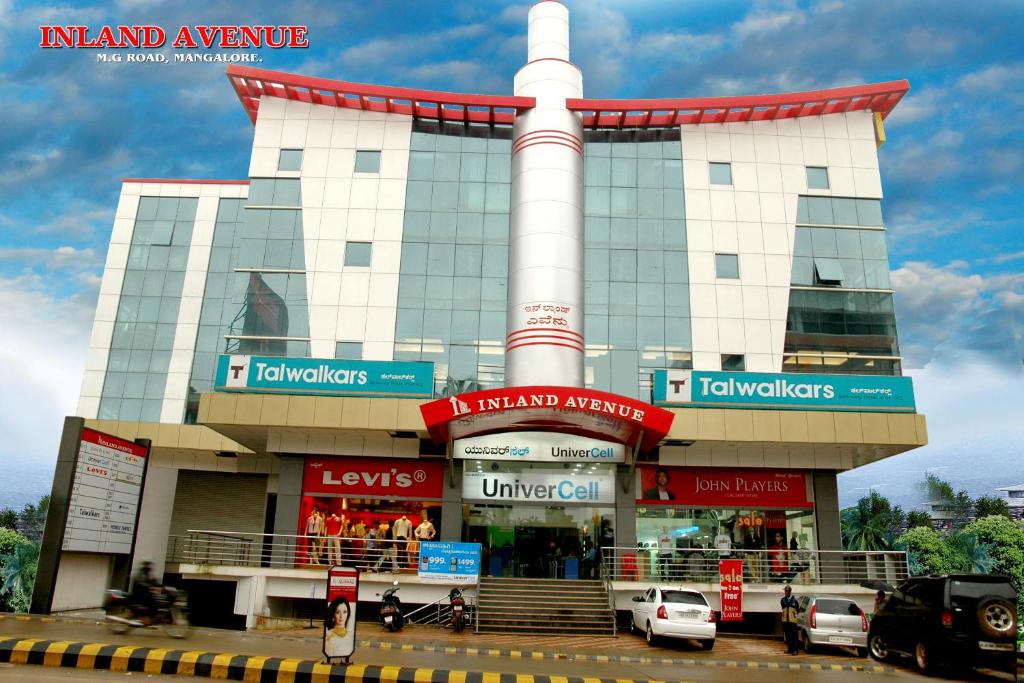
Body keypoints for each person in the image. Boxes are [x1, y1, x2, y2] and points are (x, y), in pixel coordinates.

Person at [780, 585, 800, 655]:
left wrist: (793, 616)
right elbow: (783, 608)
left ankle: (795, 650)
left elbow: (797, 610)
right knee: (788, 636)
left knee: (794, 636)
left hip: (792, 621)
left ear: (789, 592)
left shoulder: (795, 601)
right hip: (785, 621)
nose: (785, 592)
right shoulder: (783, 600)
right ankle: (790, 649)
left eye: (786, 591)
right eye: (785, 591)